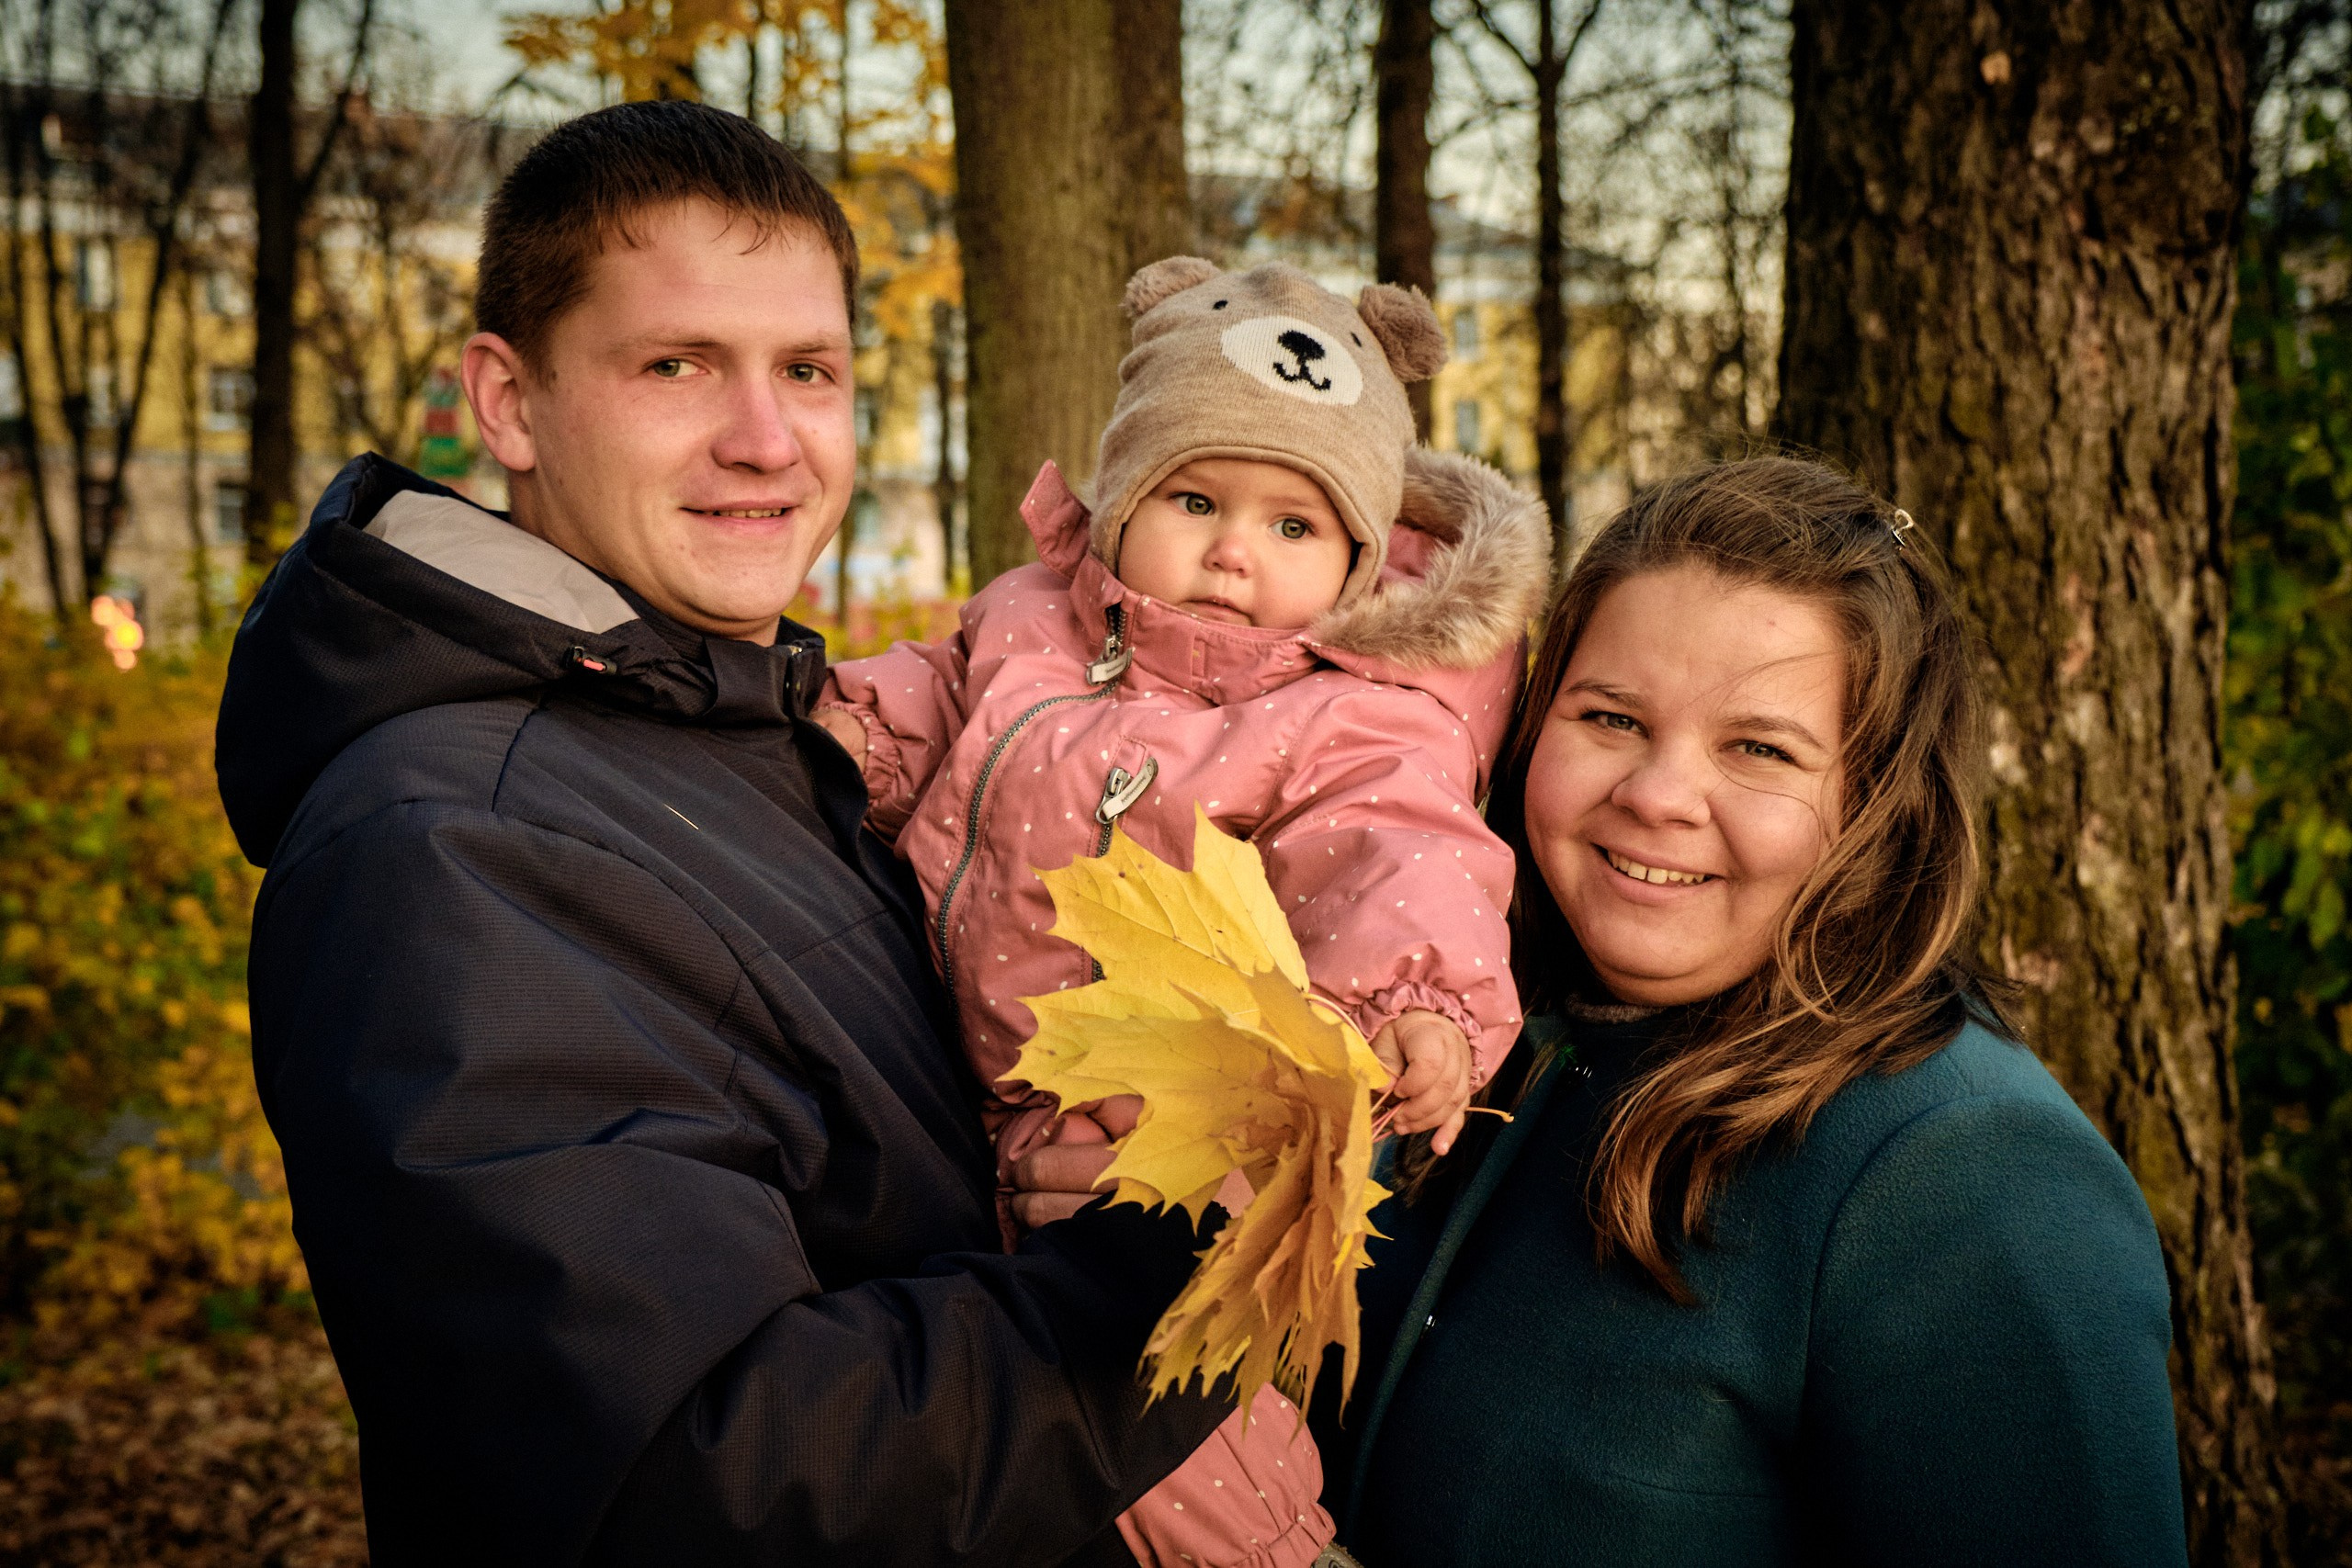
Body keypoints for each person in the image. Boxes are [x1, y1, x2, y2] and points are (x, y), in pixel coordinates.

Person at [216, 100, 1238, 1566]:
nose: (766, 440)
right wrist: (1188, 1261)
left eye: (807, 369)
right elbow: (713, 1481)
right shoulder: (452, 842)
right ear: (508, 402)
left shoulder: (745, 733)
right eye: (677, 363)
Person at [1313, 458, 2189, 1565]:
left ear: (1874, 803)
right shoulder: (1448, 1033)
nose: (1656, 795)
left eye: (1759, 748)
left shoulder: (1965, 1178)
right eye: (1612, 717)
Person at [814, 255, 1550, 1568]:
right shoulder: (1032, 620)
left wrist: (1416, 1002)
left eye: (1293, 526)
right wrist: (844, 732)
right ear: (1121, 497)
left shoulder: (1351, 716)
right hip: (956, 1108)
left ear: (1359, 555)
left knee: (1180, 1446)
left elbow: (1402, 855)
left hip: (1161, 1148)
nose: (1231, 550)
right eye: (1196, 497)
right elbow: (936, 696)